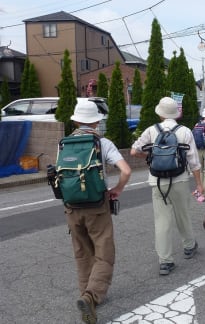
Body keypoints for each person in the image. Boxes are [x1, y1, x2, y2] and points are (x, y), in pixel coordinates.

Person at [65, 101, 131, 324]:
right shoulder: (102, 142)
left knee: (82, 251)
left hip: (71, 206)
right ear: (96, 122)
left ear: (75, 121)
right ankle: (91, 297)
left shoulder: (63, 144)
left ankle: (87, 294)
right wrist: (118, 189)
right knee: (104, 252)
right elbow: (126, 170)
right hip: (97, 204)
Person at [130, 97, 203, 276]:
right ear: (175, 114)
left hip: (156, 181)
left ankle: (165, 261)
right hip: (179, 179)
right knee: (182, 215)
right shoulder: (185, 131)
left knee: (162, 221)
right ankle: (188, 246)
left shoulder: (151, 130)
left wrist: (150, 157)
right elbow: (194, 161)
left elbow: (134, 151)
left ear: (161, 113)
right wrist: (200, 184)